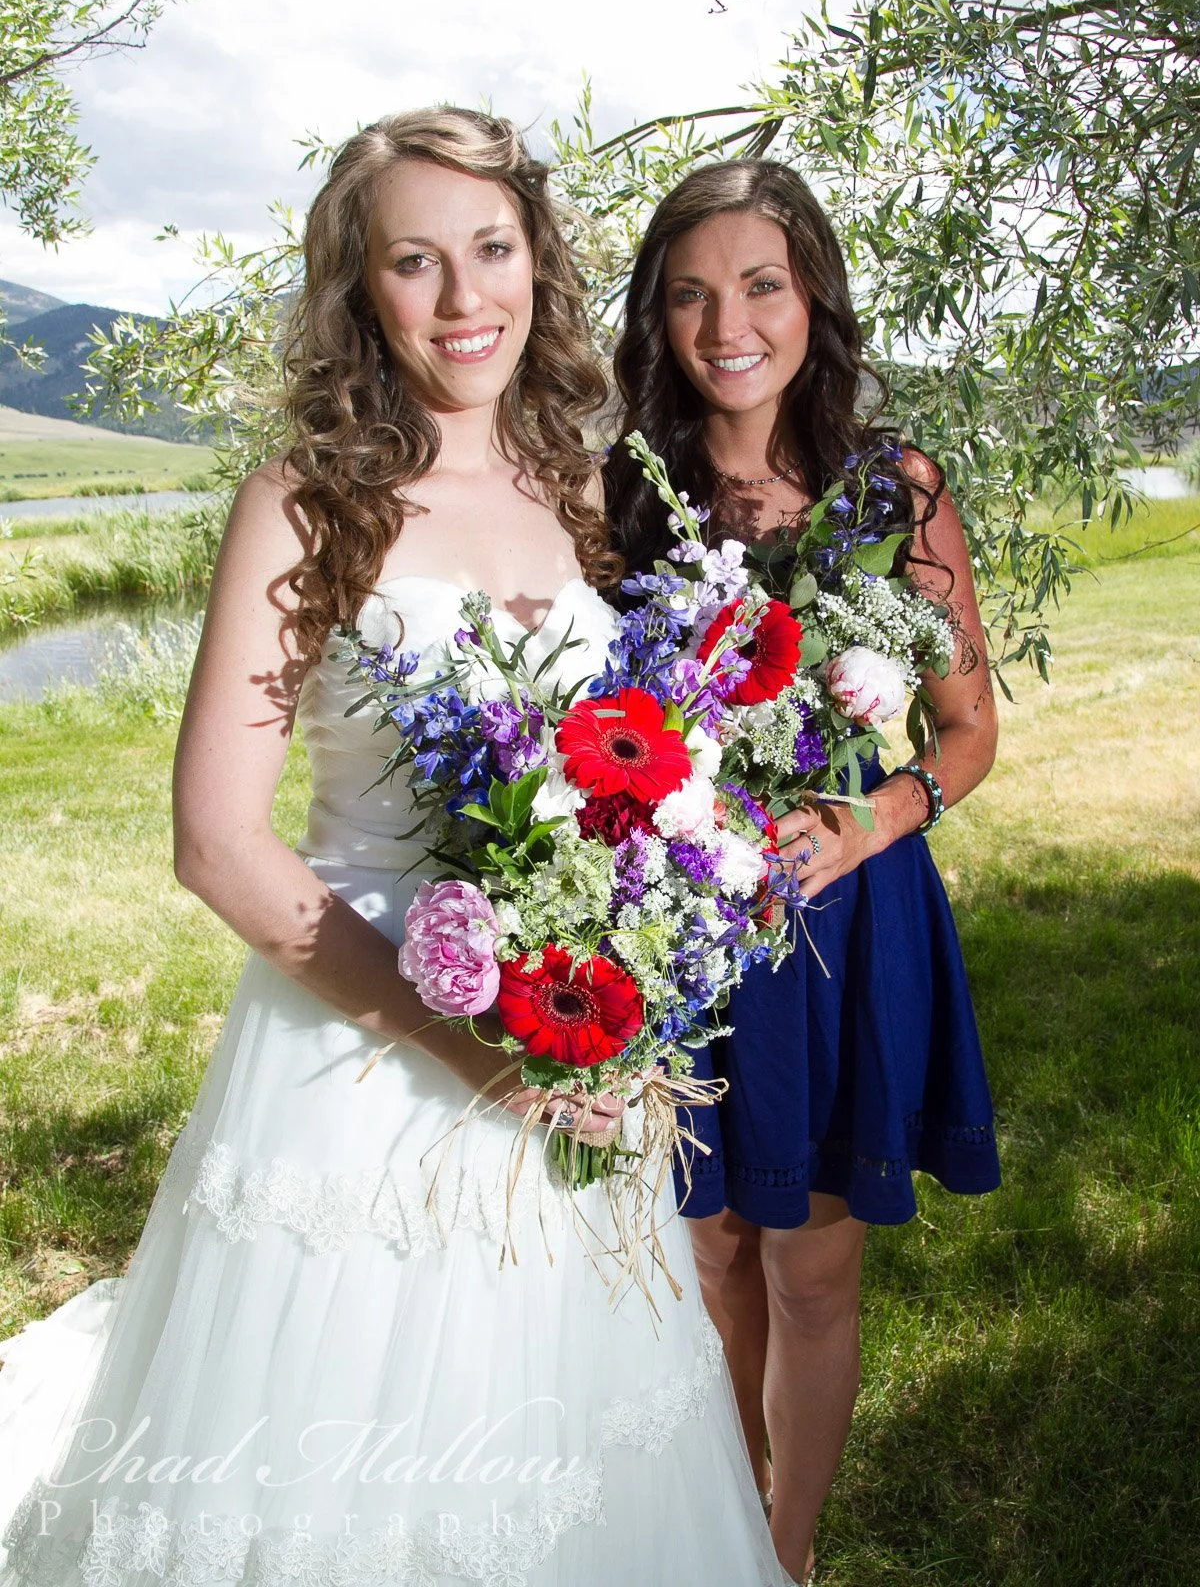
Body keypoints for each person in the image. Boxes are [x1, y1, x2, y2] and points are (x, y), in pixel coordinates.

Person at [0, 112, 788, 1587]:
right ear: (359, 288)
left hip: (575, 1040)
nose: (464, 297)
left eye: (492, 249)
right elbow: (215, 840)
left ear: (539, 264)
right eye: (414, 262)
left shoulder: (579, 489)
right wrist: (480, 1052)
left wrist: (624, 966)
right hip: (359, 1055)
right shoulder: (305, 508)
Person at [604, 158, 1002, 1586]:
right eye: (691, 293)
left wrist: (871, 823)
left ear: (813, 297)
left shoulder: (895, 487)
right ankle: (729, 1523)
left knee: (814, 1264)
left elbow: (967, 733)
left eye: (761, 285)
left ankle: (787, 1555)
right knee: (711, 1250)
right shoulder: (620, 492)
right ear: (657, 316)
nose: (729, 325)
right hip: (680, 923)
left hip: (843, 918)